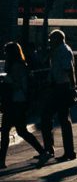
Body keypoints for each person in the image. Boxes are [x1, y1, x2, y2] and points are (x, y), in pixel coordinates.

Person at [0, 42, 49, 170]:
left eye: (6, 52)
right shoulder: (20, 65)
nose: (5, 54)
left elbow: (16, 85)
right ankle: (43, 152)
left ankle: (2, 161)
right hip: (18, 102)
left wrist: (6, 80)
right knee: (19, 131)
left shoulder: (16, 66)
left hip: (16, 102)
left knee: (9, 131)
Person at [39, 29, 77, 164]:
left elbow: (69, 69)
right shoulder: (57, 51)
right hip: (57, 87)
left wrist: (73, 87)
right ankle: (55, 149)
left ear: (58, 39)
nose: (49, 42)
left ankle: (66, 151)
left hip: (61, 87)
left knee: (60, 119)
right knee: (55, 118)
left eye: (51, 39)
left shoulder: (64, 51)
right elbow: (46, 63)